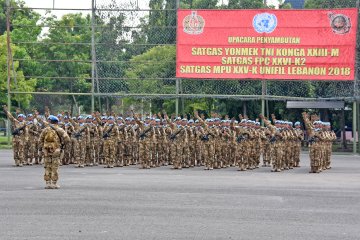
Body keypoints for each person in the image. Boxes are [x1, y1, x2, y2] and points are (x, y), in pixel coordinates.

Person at [39, 115, 70, 189]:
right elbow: (67, 139)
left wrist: (41, 149)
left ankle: (47, 183)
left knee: (47, 166)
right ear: (57, 122)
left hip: (46, 150)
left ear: (50, 121)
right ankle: (54, 183)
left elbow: (40, 140)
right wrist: (62, 145)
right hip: (56, 150)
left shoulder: (45, 130)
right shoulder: (60, 129)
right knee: (55, 166)